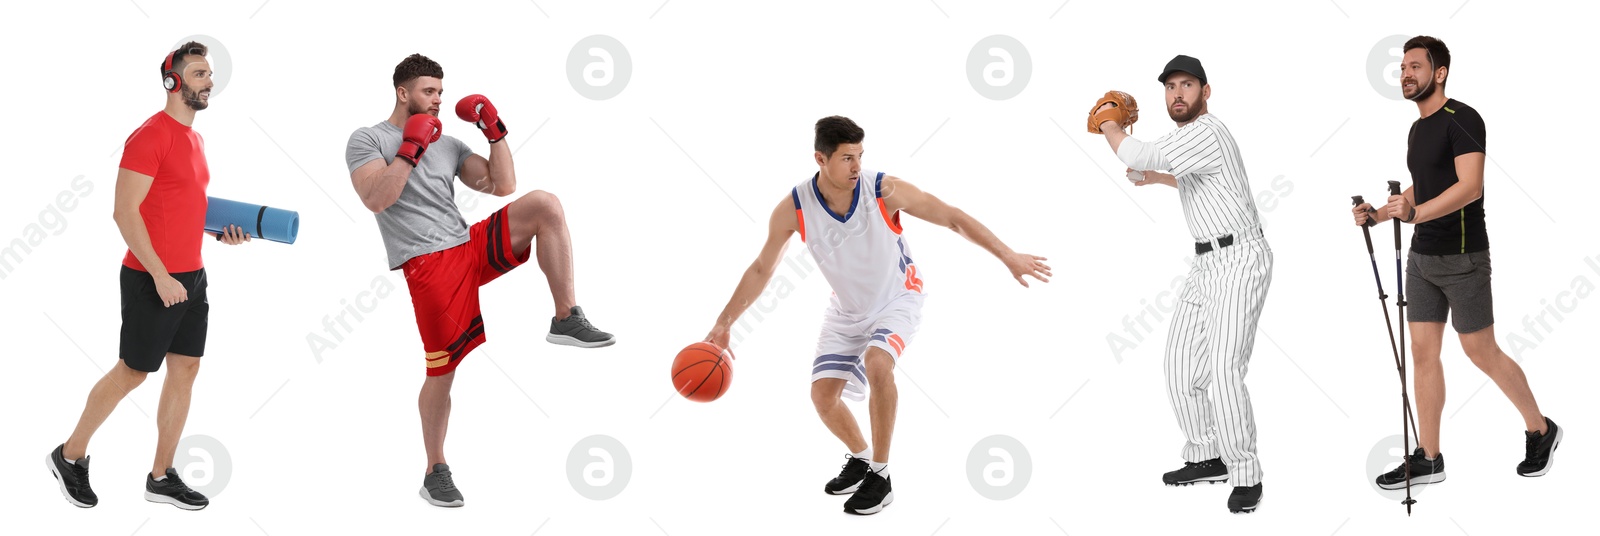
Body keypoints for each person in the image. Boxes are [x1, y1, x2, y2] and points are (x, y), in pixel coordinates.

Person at [703, 115, 1051, 515]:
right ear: (821, 158)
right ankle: (862, 457)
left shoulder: (883, 190)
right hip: (846, 310)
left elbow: (952, 217)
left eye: (861, 156)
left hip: (898, 298)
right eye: (847, 158)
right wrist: (723, 323)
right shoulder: (795, 206)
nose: (857, 166)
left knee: (877, 363)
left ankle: (881, 477)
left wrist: (1008, 255)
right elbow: (762, 268)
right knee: (822, 397)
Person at [345, 53, 615, 507]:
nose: (437, 101)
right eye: (429, 92)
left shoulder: (447, 143)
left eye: (441, 93)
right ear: (402, 92)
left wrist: (494, 130)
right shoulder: (367, 139)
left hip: (467, 245)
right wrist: (410, 150)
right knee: (443, 371)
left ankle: (566, 317)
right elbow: (376, 198)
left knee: (544, 204)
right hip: (427, 263)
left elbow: (502, 184)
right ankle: (436, 469)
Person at [48, 42, 250, 511]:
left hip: (192, 277)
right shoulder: (150, 135)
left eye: (209, 74)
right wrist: (159, 274)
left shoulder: (195, 140)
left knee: (187, 369)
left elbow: (179, 206)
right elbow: (124, 211)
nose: (209, 82)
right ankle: (69, 455)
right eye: (199, 73)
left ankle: (161, 475)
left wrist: (220, 234)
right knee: (133, 372)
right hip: (151, 278)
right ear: (172, 81)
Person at [1352, 35, 1560, 490]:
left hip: (1464, 257)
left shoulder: (1462, 118)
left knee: (1480, 351)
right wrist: (1380, 211)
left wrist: (1415, 213)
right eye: (1402, 67)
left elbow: (1471, 186)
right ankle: (1429, 457)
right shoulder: (1417, 128)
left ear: (1439, 72)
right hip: (1422, 259)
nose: (1405, 73)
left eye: (1415, 66)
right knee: (1423, 357)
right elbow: (1422, 186)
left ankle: (1541, 430)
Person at [1092, 55, 1273, 514]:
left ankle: (1246, 472)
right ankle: (1206, 453)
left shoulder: (1207, 130)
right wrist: (1158, 178)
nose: (1177, 93)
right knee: (1179, 366)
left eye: (1187, 85)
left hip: (1240, 258)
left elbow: (1136, 152)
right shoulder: (1188, 139)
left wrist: (1111, 124)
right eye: (1170, 86)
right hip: (1205, 264)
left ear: (1205, 92)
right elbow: (1201, 183)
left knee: (1225, 368)